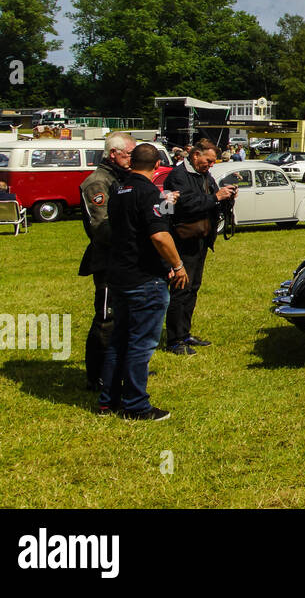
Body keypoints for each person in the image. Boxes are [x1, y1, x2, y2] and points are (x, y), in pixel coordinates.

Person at [100, 143, 189, 421]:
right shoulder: (148, 191)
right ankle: (136, 405)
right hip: (144, 278)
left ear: (132, 162)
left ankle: (108, 401)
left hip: (119, 275)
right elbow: (159, 235)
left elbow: (134, 227)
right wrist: (177, 265)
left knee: (119, 339)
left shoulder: (119, 190)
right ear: (157, 166)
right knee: (141, 343)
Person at [163, 139, 236, 355]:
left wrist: (225, 197)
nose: (210, 165)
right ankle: (174, 340)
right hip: (183, 240)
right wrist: (215, 196)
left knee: (193, 288)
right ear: (195, 156)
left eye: (213, 162)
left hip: (201, 240)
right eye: (208, 160)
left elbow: (209, 199)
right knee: (180, 289)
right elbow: (187, 204)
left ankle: (184, 334)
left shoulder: (204, 175)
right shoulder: (178, 176)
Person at [78, 132, 134, 391]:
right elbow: (101, 227)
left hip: (126, 258)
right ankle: (97, 375)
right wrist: (136, 233)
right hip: (108, 259)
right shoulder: (97, 183)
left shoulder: (121, 178)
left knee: (127, 317)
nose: (132, 158)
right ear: (113, 154)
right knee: (106, 318)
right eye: (129, 154)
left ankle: (122, 368)